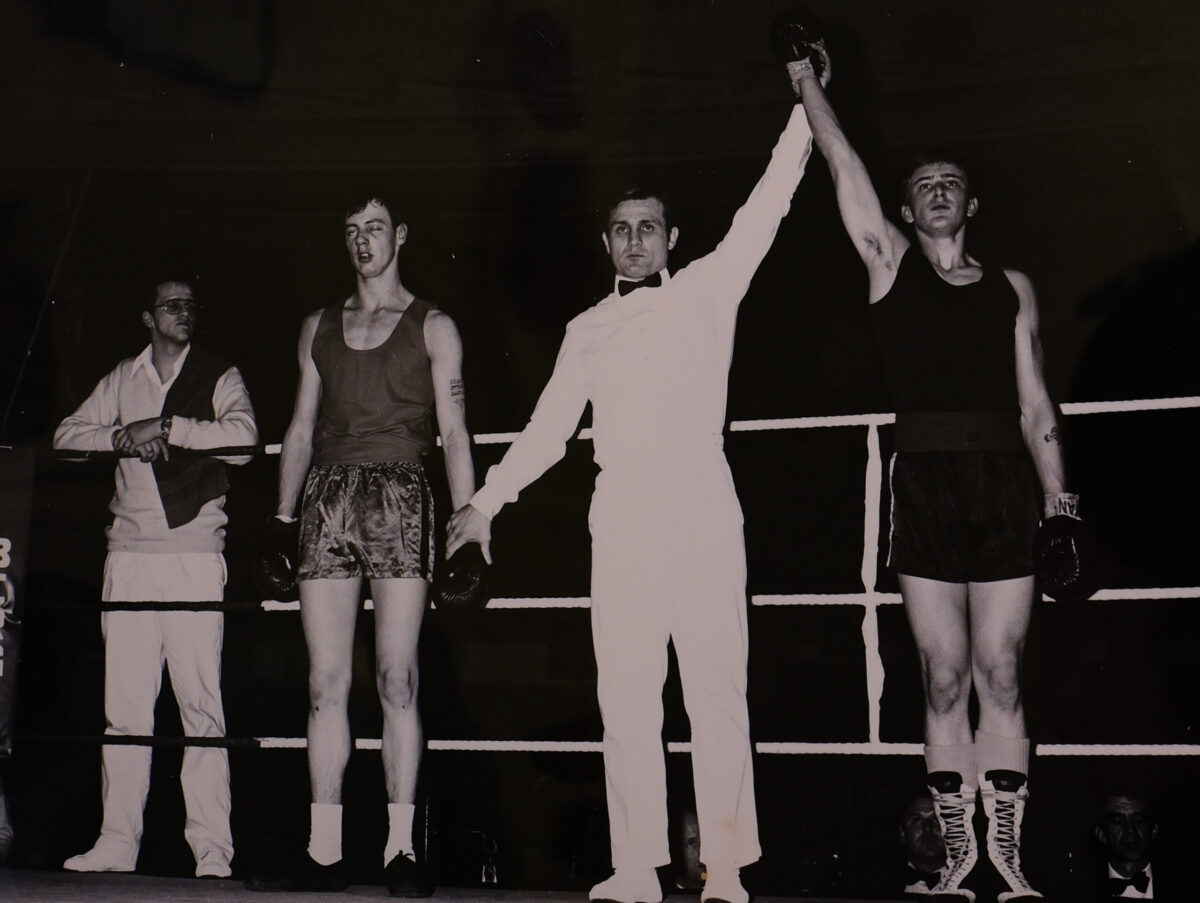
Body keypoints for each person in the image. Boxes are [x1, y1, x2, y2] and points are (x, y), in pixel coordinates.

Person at [446, 65, 824, 903]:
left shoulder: (707, 292)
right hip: (619, 519)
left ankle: (724, 866)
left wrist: (805, 108)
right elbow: (548, 430)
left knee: (717, 687)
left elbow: (768, 204)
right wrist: (483, 503)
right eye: (620, 231)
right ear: (607, 243)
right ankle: (636, 868)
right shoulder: (586, 329)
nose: (634, 241)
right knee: (624, 695)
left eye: (648, 228)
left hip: (701, 508)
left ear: (672, 237)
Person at [792, 46, 1076, 902]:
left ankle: (1009, 857)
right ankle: (956, 854)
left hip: (1002, 484)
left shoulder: (1012, 288)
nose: (938, 189)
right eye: (923, 184)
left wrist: (1060, 502)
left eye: (952, 179)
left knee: (1002, 670)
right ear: (908, 211)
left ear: (973, 203)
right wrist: (806, 83)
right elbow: (842, 164)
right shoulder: (889, 267)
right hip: (923, 483)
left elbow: (1036, 407)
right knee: (944, 674)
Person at [254, 193, 475, 896]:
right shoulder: (318, 324)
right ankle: (323, 852)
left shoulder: (434, 325)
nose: (362, 242)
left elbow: (456, 431)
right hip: (326, 498)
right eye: (351, 231)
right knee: (324, 683)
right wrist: (282, 520)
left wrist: (466, 527)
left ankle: (401, 850)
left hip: (401, 494)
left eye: (374, 228)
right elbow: (298, 425)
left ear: (400, 235)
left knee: (396, 678)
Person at [53, 279, 258, 879]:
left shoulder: (220, 374)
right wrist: (120, 435)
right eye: (172, 305)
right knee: (125, 709)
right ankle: (117, 842)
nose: (185, 312)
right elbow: (67, 437)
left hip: (193, 555)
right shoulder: (122, 376)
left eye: (192, 304)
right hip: (130, 556)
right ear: (148, 316)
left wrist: (169, 429)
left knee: (201, 706)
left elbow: (245, 440)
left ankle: (213, 850)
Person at [1092, 793, 1175, 901]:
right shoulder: (1078, 888)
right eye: (1118, 821)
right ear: (1101, 834)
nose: (1130, 829)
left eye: (1139, 819)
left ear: (1153, 830)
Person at [899, 794, 947, 896]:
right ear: (903, 833)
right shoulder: (875, 887)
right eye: (917, 820)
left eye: (937, 819)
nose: (928, 828)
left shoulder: (976, 886)